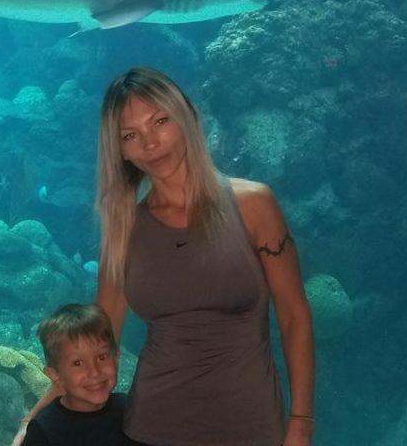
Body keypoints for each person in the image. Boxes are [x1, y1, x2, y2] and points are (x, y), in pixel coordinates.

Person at [16, 66, 315, 446]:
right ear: (120, 151)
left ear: (187, 115)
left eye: (160, 121)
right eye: (130, 135)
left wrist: (300, 424)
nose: (150, 143)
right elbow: (93, 339)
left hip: (252, 425)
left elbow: (294, 317)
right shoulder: (123, 231)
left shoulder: (254, 205)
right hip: (151, 428)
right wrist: (33, 419)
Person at [20, 302, 127, 446]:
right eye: (78, 363)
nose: (94, 372)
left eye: (102, 357)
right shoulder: (42, 431)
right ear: (55, 375)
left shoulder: (129, 410)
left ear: (116, 357)